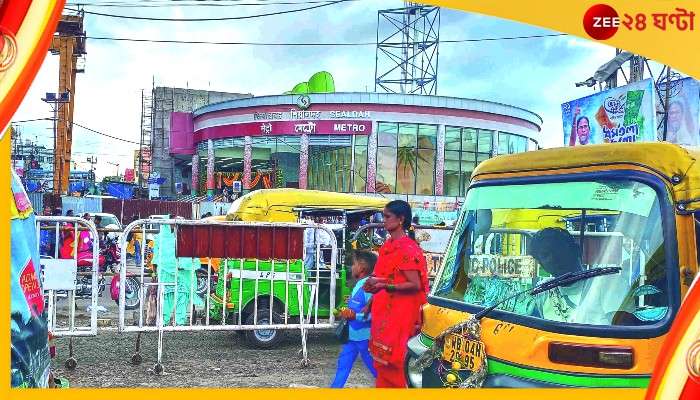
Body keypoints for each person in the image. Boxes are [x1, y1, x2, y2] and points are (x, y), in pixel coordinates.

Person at [363, 200, 429, 388]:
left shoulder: (407, 249)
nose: (383, 221)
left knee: (398, 361)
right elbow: (380, 275)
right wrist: (370, 301)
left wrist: (383, 286)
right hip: (385, 311)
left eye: (387, 217)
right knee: (382, 364)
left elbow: (414, 284)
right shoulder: (388, 246)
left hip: (402, 313)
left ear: (400, 219)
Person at [330, 250, 378, 388]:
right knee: (342, 367)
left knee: (377, 372)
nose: (351, 267)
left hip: (365, 339)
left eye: (354, 264)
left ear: (362, 267)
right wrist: (344, 313)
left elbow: (375, 315)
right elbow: (355, 308)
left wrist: (354, 316)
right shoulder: (358, 285)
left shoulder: (369, 287)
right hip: (351, 337)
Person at [151, 214, 203, 325]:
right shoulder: (160, 238)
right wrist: (154, 272)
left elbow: (193, 255)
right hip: (167, 274)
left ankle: (180, 322)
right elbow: (156, 258)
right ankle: (164, 321)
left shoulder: (186, 237)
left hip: (183, 274)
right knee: (166, 298)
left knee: (182, 297)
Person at [528, 227, 586, 322]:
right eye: (545, 255)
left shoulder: (600, 285)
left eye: (558, 250)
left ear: (576, 250)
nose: (553, 258)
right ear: (541, 264)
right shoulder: (543, 290)